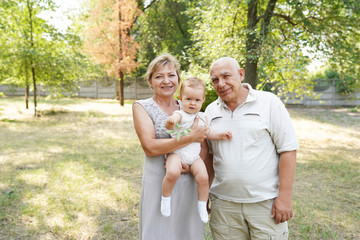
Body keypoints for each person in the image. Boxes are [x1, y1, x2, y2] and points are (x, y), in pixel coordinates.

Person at [203, 57, 299, 240]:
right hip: (224, 205)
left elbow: (288, 150)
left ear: (240, 74)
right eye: (215, 80)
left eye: (226, 76)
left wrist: (285, 197)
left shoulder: (269, 102)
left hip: (265, 204)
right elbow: (208, 157)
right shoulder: (210, 112)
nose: (221, 84)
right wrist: (204, 194)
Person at [132, 53, 209, 240]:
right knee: (158, 233)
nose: (166, 81)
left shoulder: (190, 105)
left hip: (189, 181)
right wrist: (189, 138)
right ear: (150, 82)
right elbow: (150, 147)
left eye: (171, 75)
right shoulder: (142, 107)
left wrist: (191, 166)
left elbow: (203, 143)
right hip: (158, 181)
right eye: (159, 76)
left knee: (186, 232)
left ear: (178, 80)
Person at [161, 77, 232, 223]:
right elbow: (170, 124)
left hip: (194, 157)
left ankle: (201, 205)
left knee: (204, 178)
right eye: (188, 99)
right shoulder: (180, 114)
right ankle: (165, 198)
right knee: (173, 172)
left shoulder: (202, 116)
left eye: (197, 100)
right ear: (180, 99)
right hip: (177, 153)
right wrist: (171, 122)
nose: (192, 103)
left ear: (202, 100)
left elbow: (208, 133)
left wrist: (221, 135)